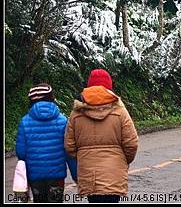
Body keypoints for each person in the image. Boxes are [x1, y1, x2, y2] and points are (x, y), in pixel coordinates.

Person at [65, 68, 138, 203]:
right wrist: (122, 160)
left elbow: (69, 146)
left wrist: (84, 157)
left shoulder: (77, 112)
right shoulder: (120, 110)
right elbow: (131, 143)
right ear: (109, 87)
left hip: (89, 175)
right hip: (113, 173)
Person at [16, 83, 77, 203]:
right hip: (57, 176)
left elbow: (21, 153)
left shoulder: (24, 122)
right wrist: (76, 175)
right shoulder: (62, 120)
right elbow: (68, 150)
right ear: (51, 98)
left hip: (35, 176)